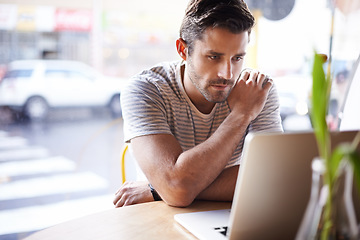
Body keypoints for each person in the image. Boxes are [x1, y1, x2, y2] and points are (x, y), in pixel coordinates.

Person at [113, 0, 283, 208]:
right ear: (183, 50)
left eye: (237, 58)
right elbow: (176, 189)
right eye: (214, 57)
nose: (227, 74)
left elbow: (271, 179)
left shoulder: (257, 90)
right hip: (160, 220)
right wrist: (242, 114)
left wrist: (159, 190)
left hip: (229, 219)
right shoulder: (146, 89)